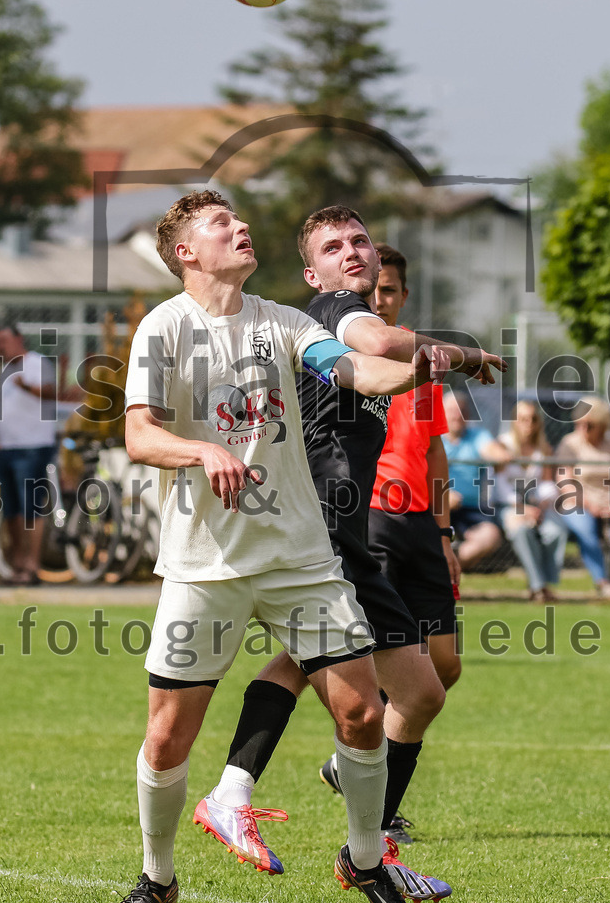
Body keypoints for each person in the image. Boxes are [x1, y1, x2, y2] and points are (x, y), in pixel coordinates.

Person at [121, 190, 452, 903]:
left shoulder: (286, 322)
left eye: (239, 220)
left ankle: (366, 862)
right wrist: (200, 451)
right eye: (222, 225)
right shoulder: (163, 329)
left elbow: (353, 370)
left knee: (363, 712)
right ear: (186, 252)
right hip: (204, 561)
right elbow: (138, 435)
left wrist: (418, 370)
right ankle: (158, 877)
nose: (241, 228)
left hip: (301, 554)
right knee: (168, 739)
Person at [197, 205, 504, 890]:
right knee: (345, 686)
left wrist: (445, 361)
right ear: (315, 272)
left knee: (419, 692)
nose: (353, 253)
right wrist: (462, 353)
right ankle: (274, 812)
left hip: (351, 532)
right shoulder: (335, 311)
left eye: (360, 240)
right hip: (320, 526)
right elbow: (377, 337)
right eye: (334, 247)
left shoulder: (351, 324)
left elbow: (387, 358)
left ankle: (330, 834)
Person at [367, 244, 462, 690]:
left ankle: (352, 759)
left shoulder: (424, 360)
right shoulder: (343, 357)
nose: (378, 299)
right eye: (371, 289)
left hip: (422, 523)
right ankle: (363, 756)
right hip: (370, 519)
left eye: (387, 290)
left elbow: (435, 452)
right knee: (384, 659)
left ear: (404, 295)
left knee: (446, 666)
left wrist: (444, 536)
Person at [0, 322, 58, 586]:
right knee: (11, 511)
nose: (0, 346)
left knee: (31, 509)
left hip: (33, 447)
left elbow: (52, 392)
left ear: (19, 339)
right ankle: (17, 565)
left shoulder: (36, 363)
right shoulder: (5, 370)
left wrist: (27, 387)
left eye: (4, 340)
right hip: (6, 448)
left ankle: (32, 566)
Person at [555, 396, 610, 600]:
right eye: (579, 423)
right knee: (585, 528)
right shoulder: (570, 444)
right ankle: (602, 581)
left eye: (589, 424)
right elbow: (564, 481)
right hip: (577, 503)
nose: (583, 427)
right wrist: (588, 504)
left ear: (602, 425)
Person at [494, 399, 567, 602]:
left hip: (537, 507)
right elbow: (500, 487)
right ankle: (538, 587)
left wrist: (540, 503)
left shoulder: (543, 449)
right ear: (514, 421)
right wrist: (523, 509)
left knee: (556, 531)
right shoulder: (503, 445)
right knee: (523, 531)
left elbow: (547, 484)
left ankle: (546, 583)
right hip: (509, 506)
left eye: (533, 419)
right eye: (523, 419)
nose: (528, 424)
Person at [442, 391, 510, 569]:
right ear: (441, 412)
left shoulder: (477, 435)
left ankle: (450, 569)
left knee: (491, 536)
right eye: (452, 410)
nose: (458, 415)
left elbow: (494, 452)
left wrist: (498, 455)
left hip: (471, 508)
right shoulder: (434, 439)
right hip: (438, 506)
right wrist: (443, 496)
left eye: (462, 410)